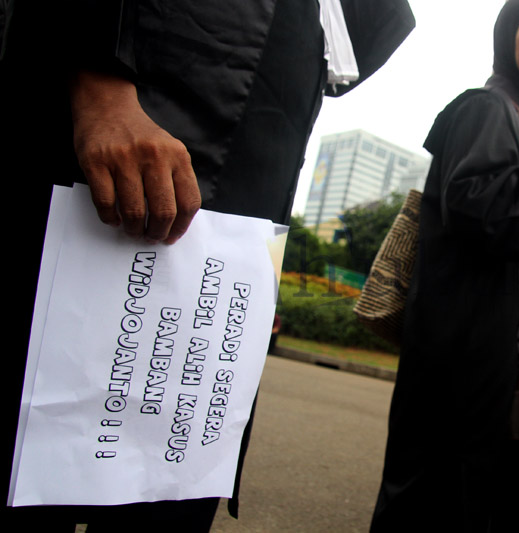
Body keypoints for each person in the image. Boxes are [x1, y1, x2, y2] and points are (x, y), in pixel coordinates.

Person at [1, 0, 414, 530]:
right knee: (30, 464)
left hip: (239, 218)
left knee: (165, 490)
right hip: (125, 108)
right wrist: (100, 85)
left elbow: (369, 35)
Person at [370, 1, 519, 530]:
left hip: (493, 349)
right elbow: (473, 207)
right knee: (434, 492)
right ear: (508, 33)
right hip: (460, 347)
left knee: (476, 496)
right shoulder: (486, 106)